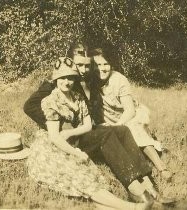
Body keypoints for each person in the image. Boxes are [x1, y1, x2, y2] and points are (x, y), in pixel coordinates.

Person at [26, 57, 152, 210]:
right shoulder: (50, 101)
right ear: (56, 79)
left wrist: (71, 132)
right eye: (62, 78)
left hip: (72, 139)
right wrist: (75, 151)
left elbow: (87, 125)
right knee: (83, 178)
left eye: (71, 78)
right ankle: (132, 205)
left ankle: (146, 184)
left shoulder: (77, 96)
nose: (66, 82)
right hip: (54, 146)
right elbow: (54, 136)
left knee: (121, 132)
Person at [91, 50, 173, 181]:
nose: (102, 68)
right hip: (107, 117)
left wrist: (117, 126)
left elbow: (130, 110)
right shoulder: (91, 80)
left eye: (105, 64)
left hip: (128, 114)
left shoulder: (118, 80)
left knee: (132, 127)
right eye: (97, 64)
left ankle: (162, 168)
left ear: (111, 65)